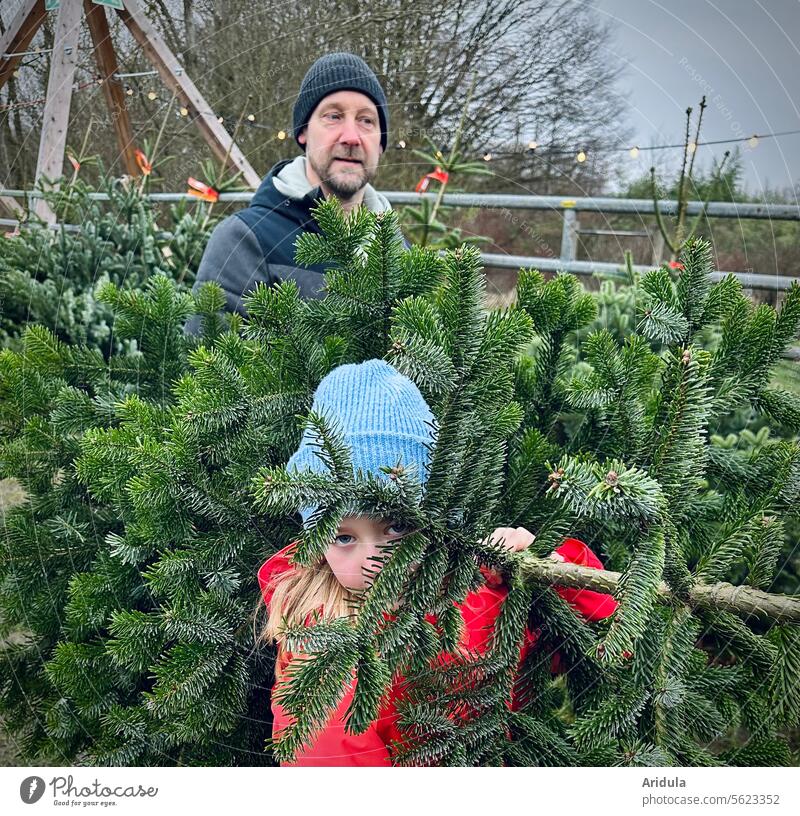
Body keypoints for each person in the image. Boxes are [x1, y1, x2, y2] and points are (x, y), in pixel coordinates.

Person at [255, 359, 619, 766]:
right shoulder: (321, 635)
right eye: (344, 537)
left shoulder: (482, 584)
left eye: (396, 527)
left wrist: (546, 565)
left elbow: (610, 637)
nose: (375, 558)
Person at [184, 52, 400, 337]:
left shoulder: (397, 251)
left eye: (367, 121)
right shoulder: (244, 239)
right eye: (333, 116)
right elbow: (208, 368)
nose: (351, 136)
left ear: (381, 143)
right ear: (303, 133)